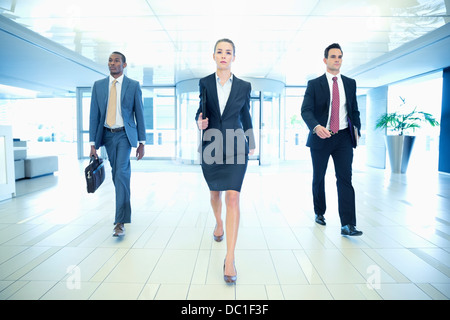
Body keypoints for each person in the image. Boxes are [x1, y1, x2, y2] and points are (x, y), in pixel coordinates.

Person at [195, 39, 255, 284]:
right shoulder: (205, 83)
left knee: (233, 196)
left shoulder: (243, 86)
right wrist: (198, 120)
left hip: (235, 145)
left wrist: (251, 141)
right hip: (211, 144)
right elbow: (201, 110)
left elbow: (245, 114)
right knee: (214, 195)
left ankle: (229, 258)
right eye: (219, 51)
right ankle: (218, 223)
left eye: (228, 52)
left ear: (233, 57)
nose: (223, 55)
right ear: (213, 56)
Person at [301, 43, 363, 236]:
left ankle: (348, 224)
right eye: (333, 56)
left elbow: (354, 110)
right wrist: (316, 127)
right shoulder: (314, 84)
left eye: (340, 57)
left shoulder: (350, 83)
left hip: (343, 137)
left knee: (345, 179)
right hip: (321, 137)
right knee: (318, 177)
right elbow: (306, 110)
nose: (337, 59)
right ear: (325, 60)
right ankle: (319, 212)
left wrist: (357, 129)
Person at [89, 51, 146, 237]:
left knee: (121, 172)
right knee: (117, 174)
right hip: (106, 135)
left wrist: (142, 142)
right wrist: (92, 144)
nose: (112, 64)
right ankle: (123, 210)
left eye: (116, 61)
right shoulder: (98, 86)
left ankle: (120, 221)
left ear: (124, 64)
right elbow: (94, 116)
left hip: (124, 135)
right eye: (110, 61)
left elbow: (140, 114)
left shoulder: (133, 86)